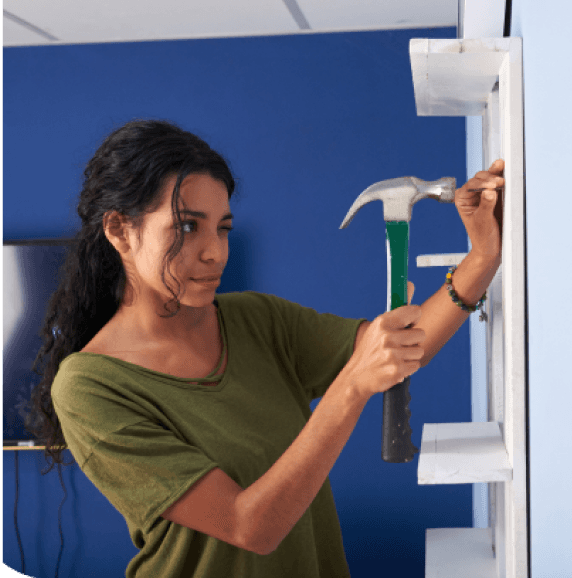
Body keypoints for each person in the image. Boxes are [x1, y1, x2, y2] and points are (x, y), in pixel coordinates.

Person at [26, 119, 505, 578]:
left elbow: (400, 348)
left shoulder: (256, 319)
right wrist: (353, 386)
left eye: (223, 228)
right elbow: (247, 525)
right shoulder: (90, 387)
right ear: (119, 231)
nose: (215, 251)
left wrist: (482, 256)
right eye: (188, 226)